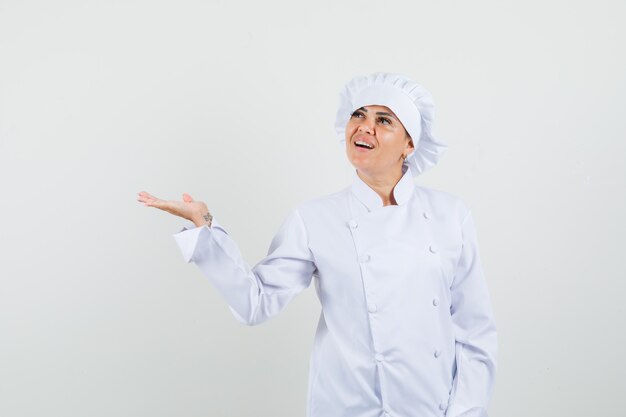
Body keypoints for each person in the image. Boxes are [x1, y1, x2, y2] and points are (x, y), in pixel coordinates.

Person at [137, 72, 497, 417]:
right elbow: (254, 303)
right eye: (359, 114)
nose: (364, 126)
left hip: (431, 408)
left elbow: (475, 334)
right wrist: (205, 226)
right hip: (346, 408)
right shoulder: (314, 219)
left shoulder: (451, 215)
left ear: (410, 144)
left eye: (384, 120)